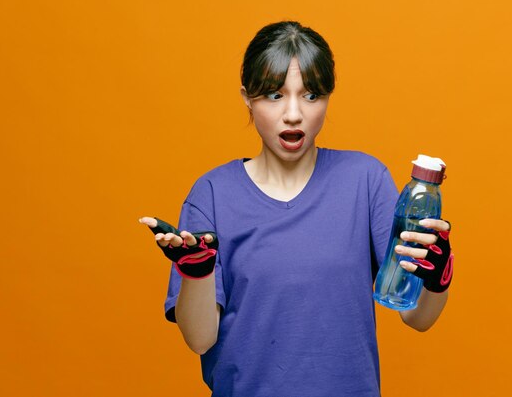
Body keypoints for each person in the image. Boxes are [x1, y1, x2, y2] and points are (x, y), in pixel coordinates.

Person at [138, 20, 454, 397]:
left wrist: (436, 280)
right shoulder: (211, 194)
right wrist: (196, 273)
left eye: (310, 95)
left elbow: (417, 318)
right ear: (247, 97)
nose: (293, 114)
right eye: (274, 95)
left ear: (328, 97)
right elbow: (200, 339)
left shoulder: (366, 181)